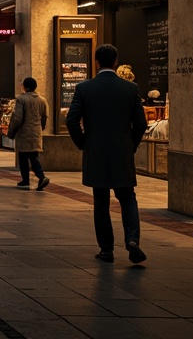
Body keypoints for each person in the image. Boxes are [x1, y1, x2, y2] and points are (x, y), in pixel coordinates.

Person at [66, 44, 148, 263]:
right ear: (116, 61)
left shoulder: (84, 88)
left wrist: (84, 143)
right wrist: (131, 144)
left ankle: (106, 249)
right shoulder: (130, 89)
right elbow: (141, 123)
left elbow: (71, 120)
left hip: (96, 151)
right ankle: (132, 239)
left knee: (101, 200)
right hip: (122, 150)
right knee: (127, 196)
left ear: (96, 62)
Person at [7, 77, 49, 190]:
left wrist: (11, 132)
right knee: (33, 154)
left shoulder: (22, 99)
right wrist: (41, 128)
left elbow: (17, 118)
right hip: (36, 131)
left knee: (24, 156)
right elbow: (45, 117)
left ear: (25, 87)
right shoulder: (42, 100)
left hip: (24, 132)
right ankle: (28, 179)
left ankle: (38, 177)